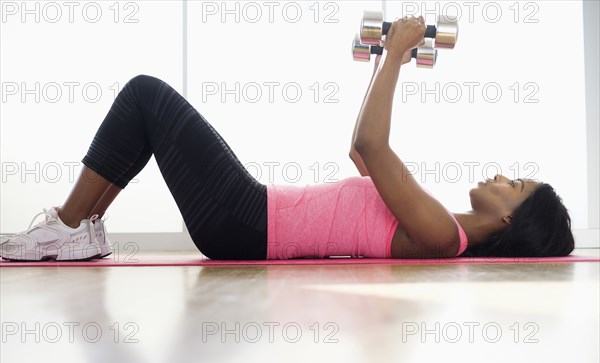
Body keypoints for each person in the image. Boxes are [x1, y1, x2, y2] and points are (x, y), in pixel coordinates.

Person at [0, 17, 574, 262]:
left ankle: (69, 227)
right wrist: (381, 58)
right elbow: (359, 150)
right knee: (146, 108)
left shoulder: (443, 235)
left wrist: (399, 50)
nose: (501, 175)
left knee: (145, 95)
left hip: (245, 219)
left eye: (514, 184)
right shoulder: (432, 218)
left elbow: (374, 147)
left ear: (510, 221)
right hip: (249, 215)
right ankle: (82, 229)